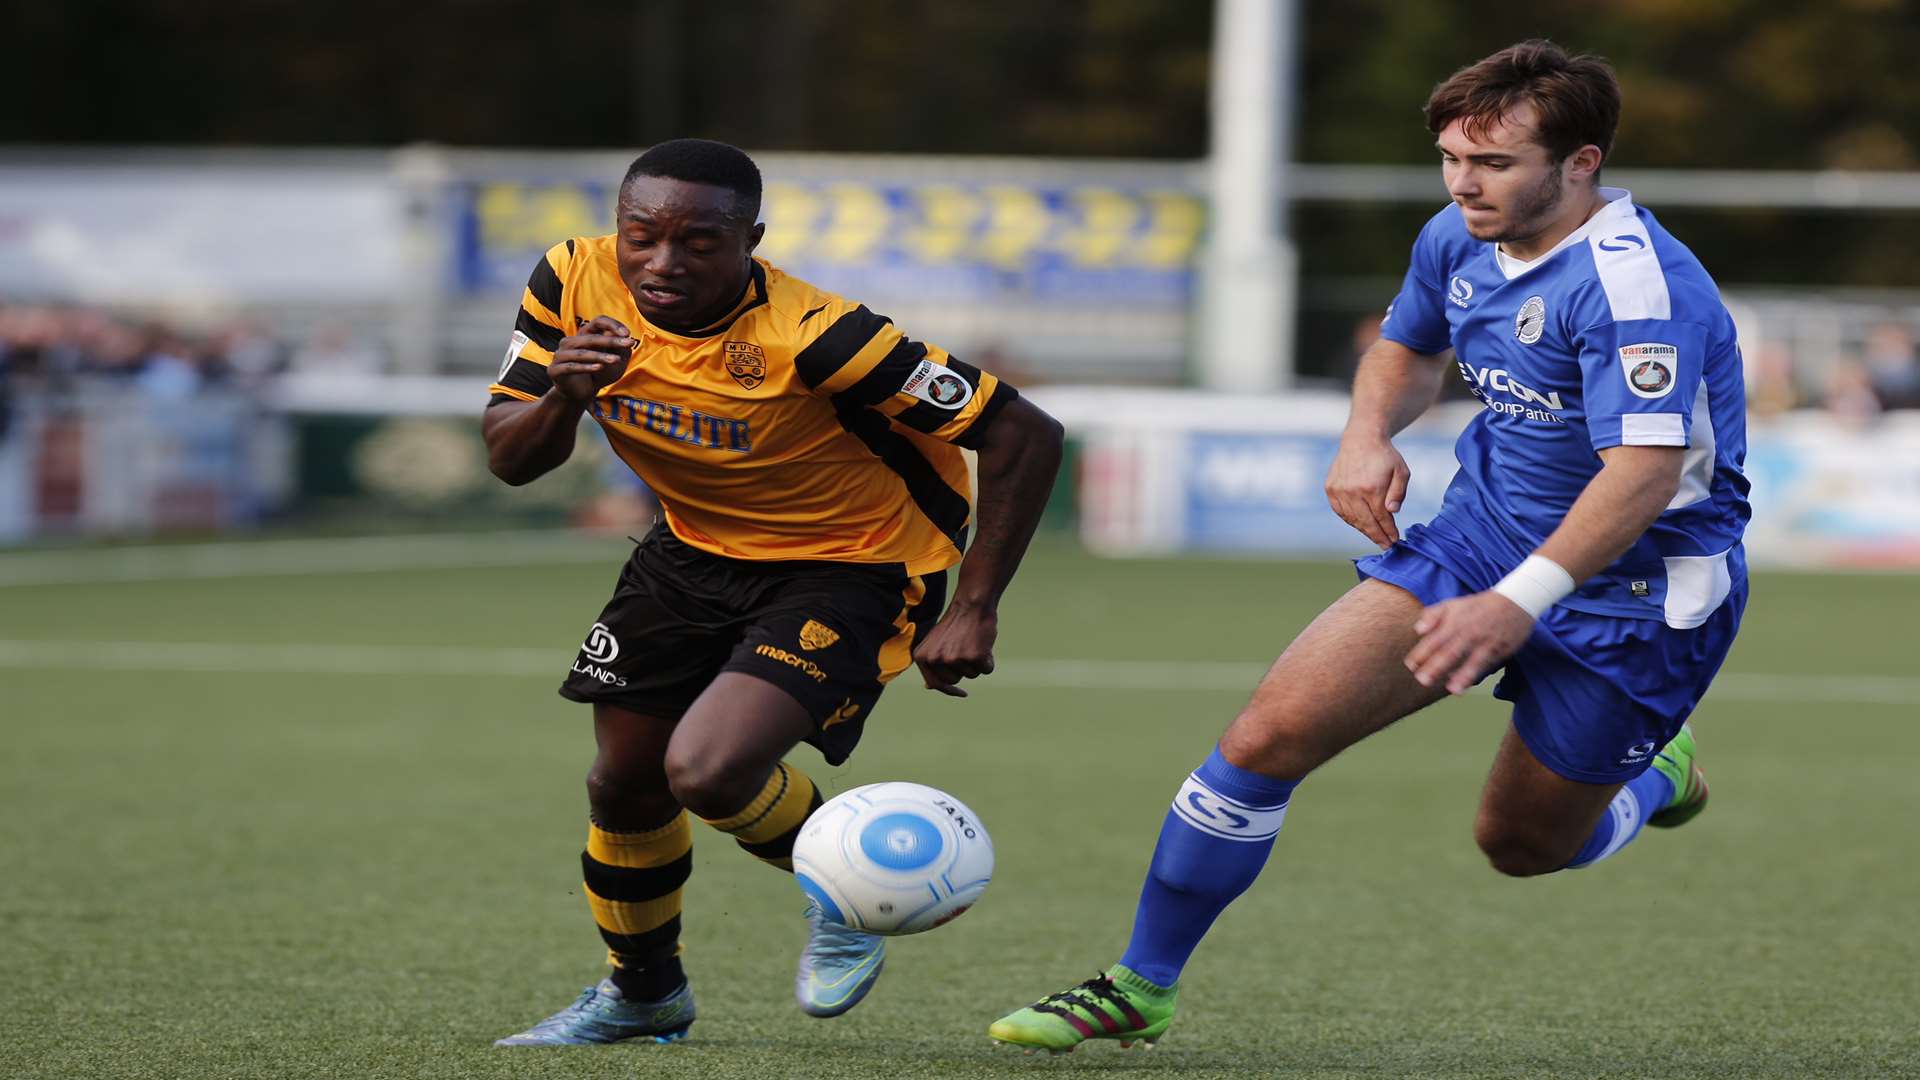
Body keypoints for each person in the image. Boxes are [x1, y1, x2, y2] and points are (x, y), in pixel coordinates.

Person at [988, 40, 1750, 1053]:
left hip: (1638, 595)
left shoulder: (1635, 289)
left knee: (1519, 847)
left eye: (1495, 165)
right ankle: (1140, 984)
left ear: (1581, 164)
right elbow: (1406, 344)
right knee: (1264, 740)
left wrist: (1519, 600)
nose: (1464, 185)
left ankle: (1656, 776)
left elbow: (1642, 476)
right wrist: (1365, 434)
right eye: (1452, 158)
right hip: (1475, 542)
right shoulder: (1459, 233)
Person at [482, 139, 1063, 1045]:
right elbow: (511, 459)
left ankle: (847, 889)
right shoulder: (570, 279)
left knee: (707, 771)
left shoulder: (824, 335)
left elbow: (1024, 431)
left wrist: (976, 605)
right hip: (689, 551)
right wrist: (565, 394)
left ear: (750, 238)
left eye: (700, 242)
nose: (663, 262)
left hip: (849, 563)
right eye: (642, 236)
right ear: (618, 228)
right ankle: (644, 997)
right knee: (624, 785)